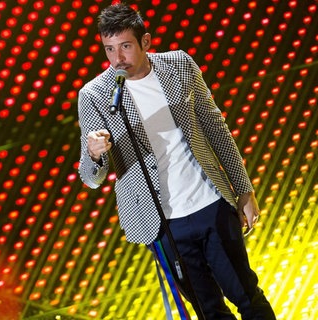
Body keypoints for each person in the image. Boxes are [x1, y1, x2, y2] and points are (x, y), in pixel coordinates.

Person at [77, 2, 276, 319]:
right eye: (109, 49)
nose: (117, 59)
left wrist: (244, 189)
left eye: (125, 46)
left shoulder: (179, 64)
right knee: (208, 311)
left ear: (145, 42)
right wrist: (94, 154)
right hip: (161, 224)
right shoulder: (95, 95)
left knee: (247, 296)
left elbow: (215, 128)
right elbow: (90, 178)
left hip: (211, 204)